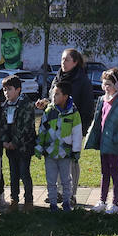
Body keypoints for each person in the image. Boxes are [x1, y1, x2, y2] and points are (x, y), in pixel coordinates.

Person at [41, 49, 94, 205]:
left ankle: (71, 194)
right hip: (55, 127)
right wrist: (44, 104)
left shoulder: (82, 80)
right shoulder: (58, 77)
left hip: (73, 127)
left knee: (71, 162)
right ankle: (58, 193)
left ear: (75, 62)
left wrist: (81, 129)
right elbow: (53, 100)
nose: (63, 63)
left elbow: (88, 107)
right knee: (57, 159)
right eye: (62, 59)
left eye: (66, 60)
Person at [84, 68, 118, 213]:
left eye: (109, 84)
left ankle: (115, 203)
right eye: (104, 84)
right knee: (104, 173)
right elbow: (98, 121)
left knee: (115, 172)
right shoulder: (102, 100)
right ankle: (102, 200)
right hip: (103, 143)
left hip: (115, 144)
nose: (106, 87)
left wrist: (115, 138)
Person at [37, 81, 83, 211]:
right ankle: (52, 204)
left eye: (57, 94)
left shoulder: (74, 113)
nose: (53, 96)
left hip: (65, 153)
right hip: (50, 152)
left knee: (66, 180)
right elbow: (42, 130)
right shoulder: (49, 111)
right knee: (51, 180)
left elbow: (77, 133)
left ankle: (67, 203)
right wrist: (39, 147)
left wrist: (76, 151)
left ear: (65, 96)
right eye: (53, 94)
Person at [0, 74, 36, 209]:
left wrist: (15, 142)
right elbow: (2, 125)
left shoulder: (26, 105)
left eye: (9, 89)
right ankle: (14, 199)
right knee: (13, 174)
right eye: (4, 90)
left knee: (24, 173)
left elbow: (25, 127)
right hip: (10, 147)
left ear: (18, 89)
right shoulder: (5, 106)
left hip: (24, 147)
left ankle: (28, 200)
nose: (6, 92)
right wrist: (4, 141)